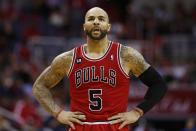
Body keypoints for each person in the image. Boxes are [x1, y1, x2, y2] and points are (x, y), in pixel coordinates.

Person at [33, 7, 167, 131]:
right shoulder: (67, 59)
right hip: (81, 127)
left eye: (101, 19)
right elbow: (39, 86)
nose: (96, 22)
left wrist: (137, 112)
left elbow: (159, 85)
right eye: (91, 19)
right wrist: (58, 113)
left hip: (114, 127)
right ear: (84, 27)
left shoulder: (126, 56)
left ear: (108, 27)